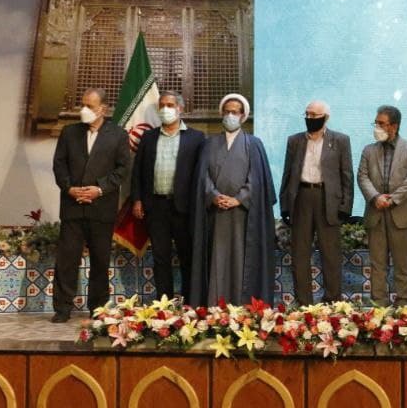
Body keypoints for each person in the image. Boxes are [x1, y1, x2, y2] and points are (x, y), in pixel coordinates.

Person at [50, 88, 131, 322]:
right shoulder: (69, 132)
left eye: (89, 106)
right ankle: (62, 308)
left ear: (102, 109)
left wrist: (99, 189)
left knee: (100, 260)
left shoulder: (118, 135)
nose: (83, 110)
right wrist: (70, 188)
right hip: (72, 206)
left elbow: (123, 169)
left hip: (101, 208)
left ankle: (98, 308)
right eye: (82, 104)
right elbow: (59, 165)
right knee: (67, 260)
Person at [189, 93, 277, 307]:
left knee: (242, 260)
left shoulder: (253, 144)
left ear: (243, 116)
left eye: (235, 112)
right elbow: (202, 176)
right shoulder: (210, 144)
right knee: (216, 260)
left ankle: (242, 307)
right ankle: (215, 307)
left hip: (243, 215)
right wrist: (213, 196)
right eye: (227, 112)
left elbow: (258, 179)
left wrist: (239, 199)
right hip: (216, 214)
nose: (230, 115)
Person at [130, 92, 205, 300]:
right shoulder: (149, 137)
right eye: (162, 105)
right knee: (160, 258)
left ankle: (190, 303)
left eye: (170, 105)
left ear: (180, 108)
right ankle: (165, 304)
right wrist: (137, 199)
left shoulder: (196, 138)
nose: (165, 109)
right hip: (156, 207)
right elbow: (138, 171)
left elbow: (201, 175)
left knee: (187, 257)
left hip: (184, 208)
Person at [279, 100, 354, 306]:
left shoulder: (340, 140)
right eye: (307, 114)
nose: (309, 118)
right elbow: (287, 174)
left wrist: (345, 206)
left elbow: (347, 175)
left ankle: (332, 302)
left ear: (325, 117)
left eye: (314, 115)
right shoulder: (294, 141)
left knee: (331, 255)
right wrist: (285, 205)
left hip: (327, 199)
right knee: (300, 254)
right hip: (301, 197)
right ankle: (304, 303)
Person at [357, 105, 407, 306]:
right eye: (376, 123)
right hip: (375, 212)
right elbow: (362, 176)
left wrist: (392, 199)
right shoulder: (368, 150)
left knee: (402, 264)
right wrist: (376, 197)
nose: (377, 127)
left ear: (394, 126)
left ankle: (403, 306)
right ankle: (379, 306)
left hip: (401, 213)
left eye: (381, 123)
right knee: (377, 264)